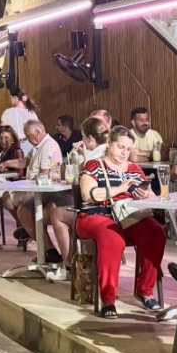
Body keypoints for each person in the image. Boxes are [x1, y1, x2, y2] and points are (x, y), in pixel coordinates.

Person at [75, 126, 167, 318]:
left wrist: (146, 194)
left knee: (156, 232)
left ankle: (145, 290)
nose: (124, 153)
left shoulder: (134, 168)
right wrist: (120, 188)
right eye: (120, 147)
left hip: (128, 216)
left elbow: (148, 194)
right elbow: (88, 195)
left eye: (128, 149)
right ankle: (108, 299)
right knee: (113, 238)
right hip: (96, 215)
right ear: (109, 144)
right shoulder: (94, 165)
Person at [45, 117, 110, 284]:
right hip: (116, 209)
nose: (81, 140)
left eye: (83, 136)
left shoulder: (93, 159)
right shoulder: (107, 150)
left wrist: (80, 156)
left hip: (98, 212)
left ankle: (69, 266)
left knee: (57, 214)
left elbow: (76, 179)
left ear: (89, 138)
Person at [4, 120, 63, 259]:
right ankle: (27, 230)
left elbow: (44, 173)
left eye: (28, 136)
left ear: (37, 132)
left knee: (12, 202)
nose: (28, 140)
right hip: (34, 185)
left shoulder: (48, 146)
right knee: (7, 197)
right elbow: (24, 161)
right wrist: (6, 163)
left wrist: (26, 183)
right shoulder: (39, 145)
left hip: (44, 189)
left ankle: (42, 244)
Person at [1, 87, 39, 154]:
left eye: (10, 98)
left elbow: (3, 131)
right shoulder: (32, 113)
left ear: (15, 98)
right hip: (30, 145)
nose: (9, 101)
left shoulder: (8, 112)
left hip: (14, 145)